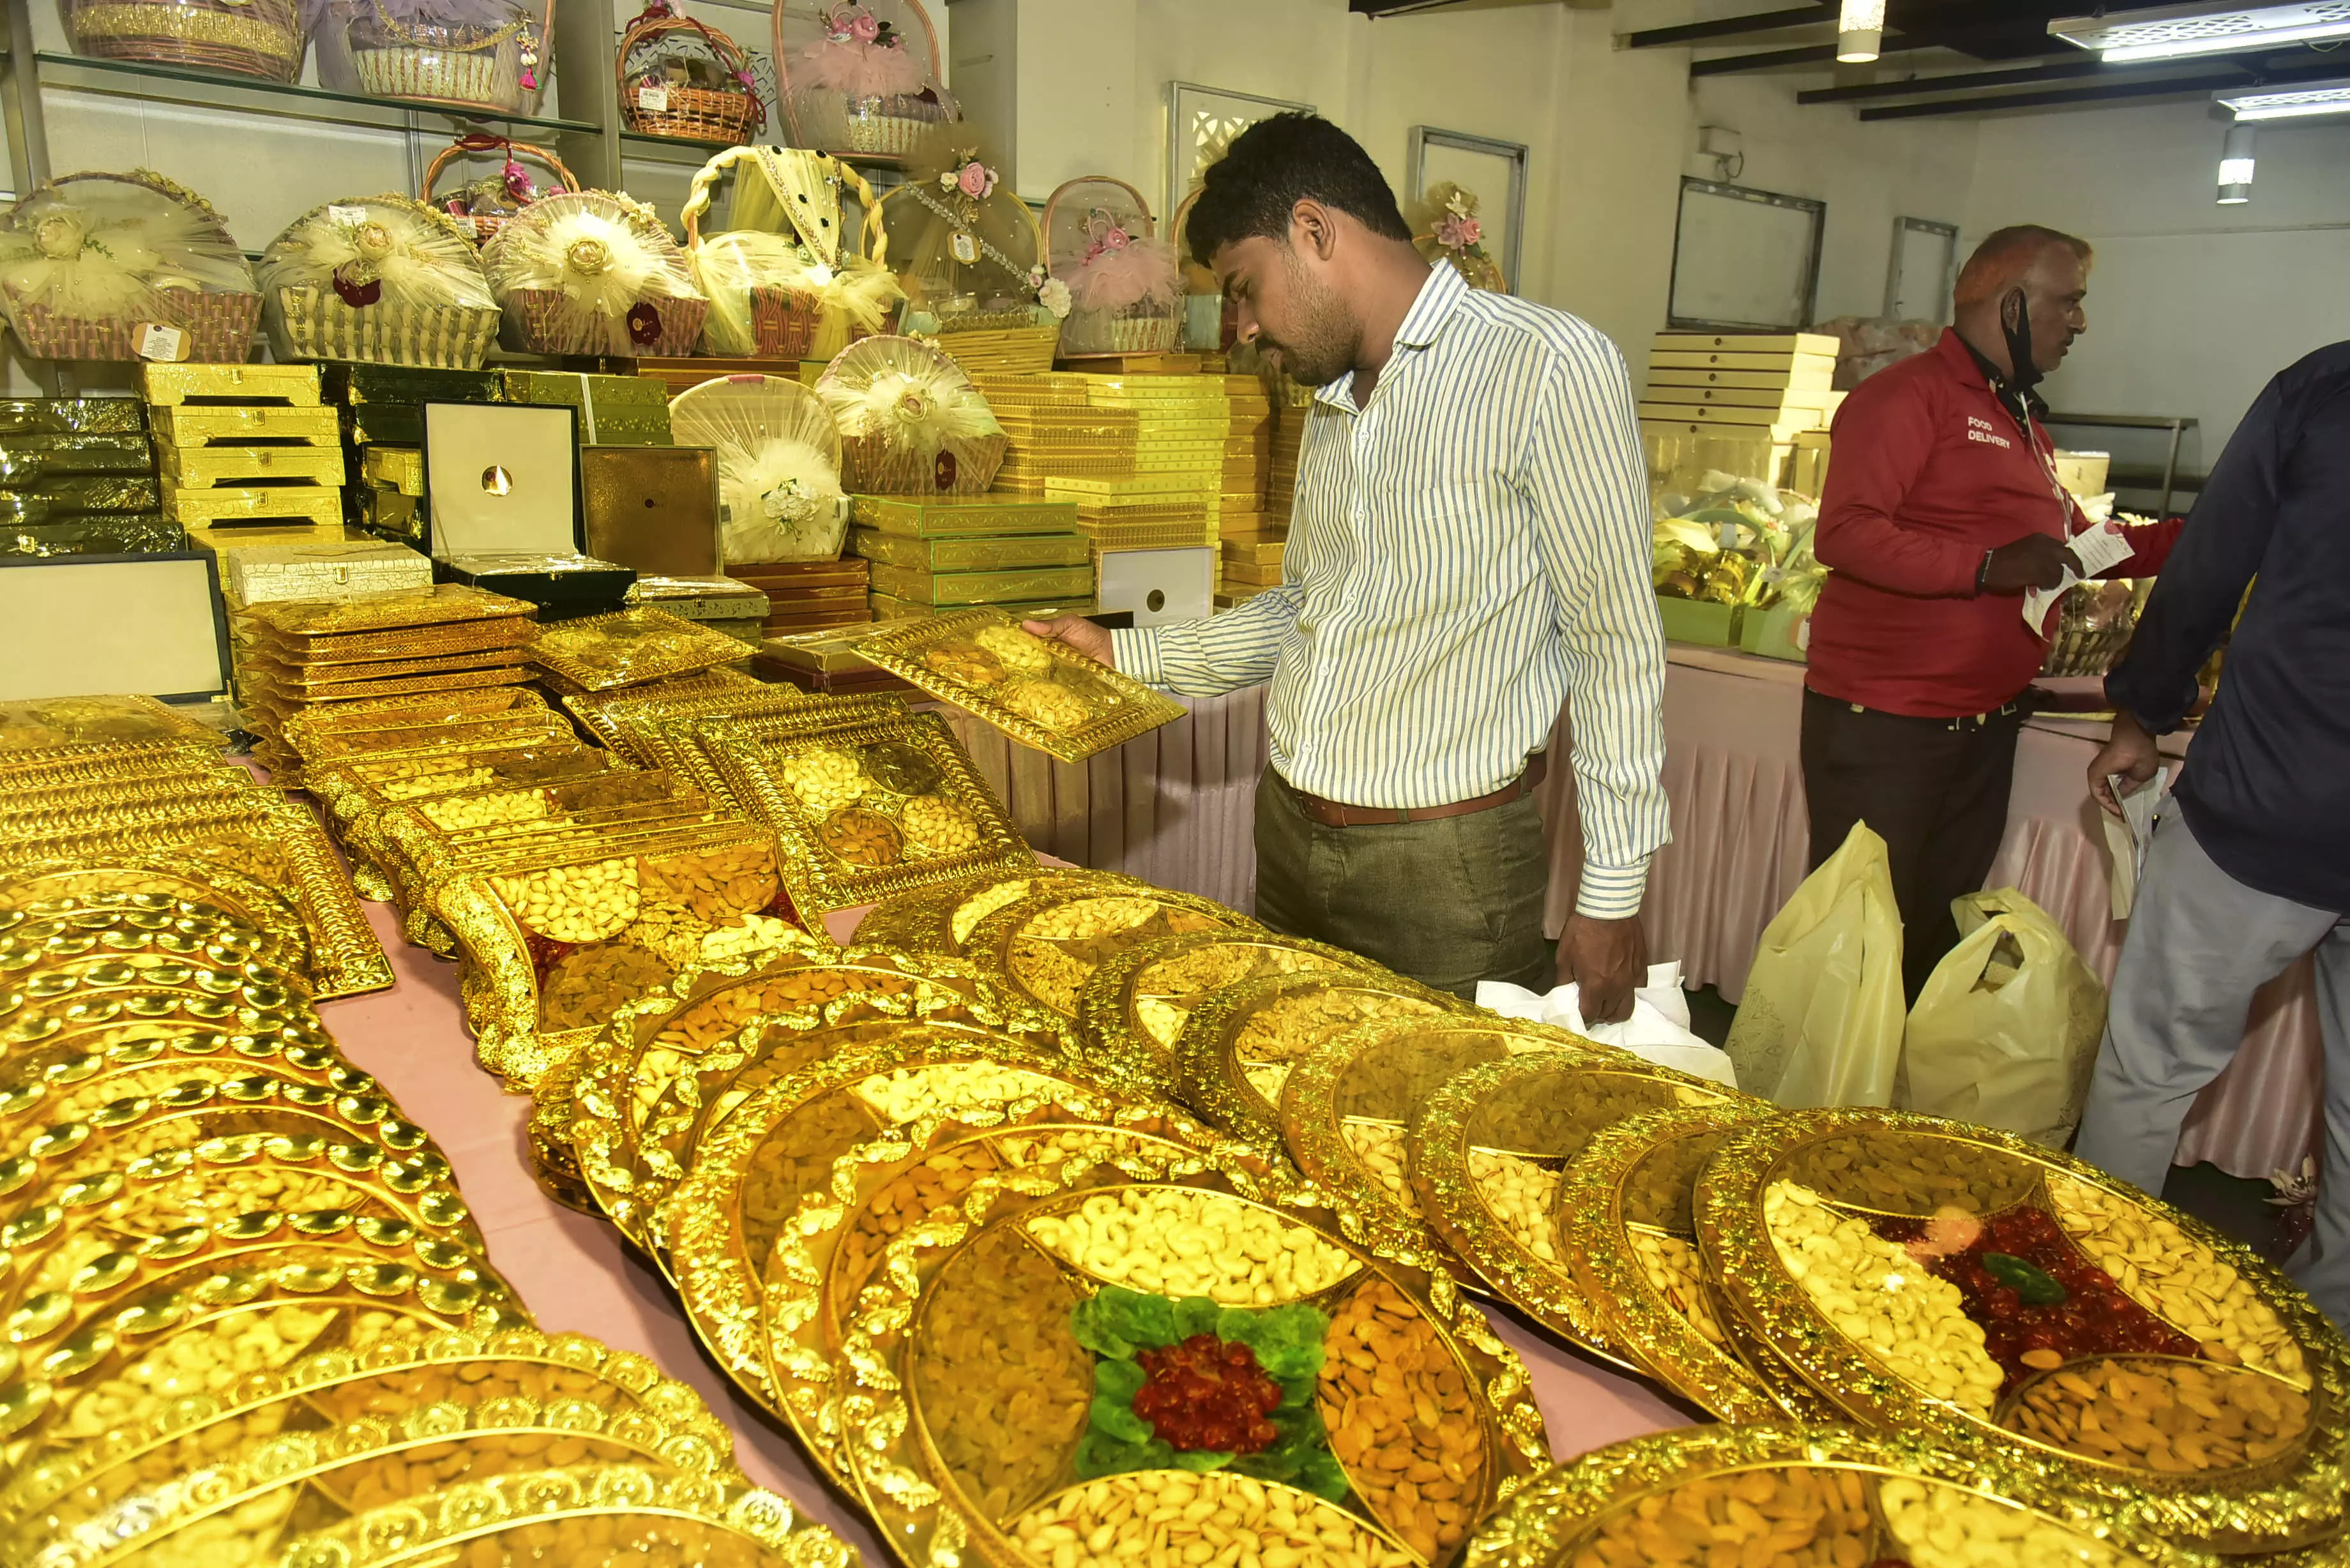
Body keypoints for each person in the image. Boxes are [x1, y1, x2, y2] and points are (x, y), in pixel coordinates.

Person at [1026, 114, 1669, 1018]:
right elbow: (1305, 609)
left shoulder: (1547, 367)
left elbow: (1616, 645)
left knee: (1434, 1141)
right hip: (1290, 835)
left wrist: (1611, 895)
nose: (1242, 328)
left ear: (1316, 231)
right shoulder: (1333, 400)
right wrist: (1123, 655)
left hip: (1445, 872)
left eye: (1245, 289)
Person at [1801, 224, 2176, 1000]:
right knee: (1858, 941)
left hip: (1979, 724)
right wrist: (1982, 567)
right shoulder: (1908, 396)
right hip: (1890, 726)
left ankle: (1881, 1099)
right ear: (2011, 303)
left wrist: (2202, 537)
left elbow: (2078, 542)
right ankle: (1813, 1107)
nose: (2079, 323)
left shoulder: (2018, 420)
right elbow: (1845, 532)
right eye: (2067, 303)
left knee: (1927, 935)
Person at [2075, 342, 2350, 1332]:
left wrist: (2142, 714)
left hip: (2273, 799)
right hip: (2286, 795)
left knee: (2150, 1070)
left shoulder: (2324, 390)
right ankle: (2328, 1371)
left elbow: (2208, 567)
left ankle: (2092, 1312)